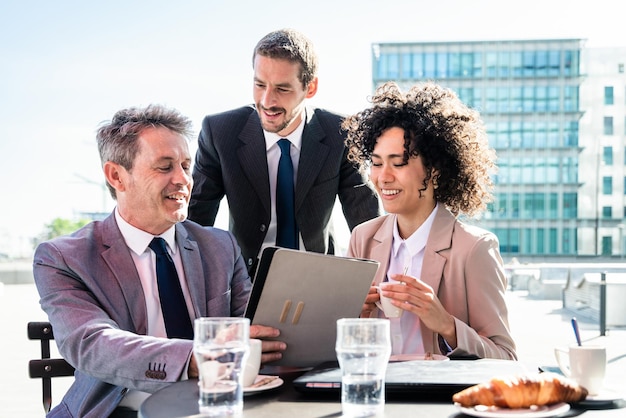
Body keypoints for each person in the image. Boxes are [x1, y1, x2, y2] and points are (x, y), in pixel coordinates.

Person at [33, 105, 285, 418]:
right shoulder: (64, 258)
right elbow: (93, 344)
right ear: (117, 176)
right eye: (165, 167)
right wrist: (194, 358)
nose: (183, 179)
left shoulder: (219, 245)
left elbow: (253, 324)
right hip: (119, 411)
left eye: (185, 165)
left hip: (220, 408)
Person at [342, 81, 517, 360]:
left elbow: (505, 357)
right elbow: (345, 350)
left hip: (438, 401)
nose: (383, 177)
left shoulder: (474, 249)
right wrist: (354, 317)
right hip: (377, 393)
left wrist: (447, 326)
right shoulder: (362, 239)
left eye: (397, 163)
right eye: (376, 163)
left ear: (434, 170)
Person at [188, 28, 380, 273]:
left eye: (282, 89)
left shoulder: (340, 134)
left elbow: (367, 223)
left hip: (318, 276)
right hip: (244, 278)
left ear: (310, 88)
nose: (267, 101)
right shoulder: (220, 133)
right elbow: (194, 224)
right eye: (260, 84)